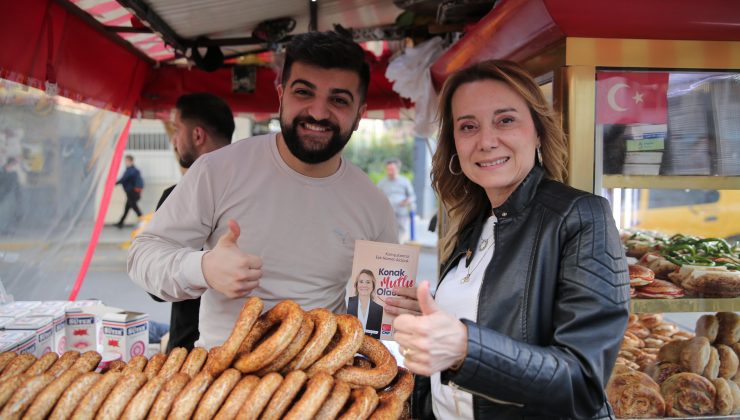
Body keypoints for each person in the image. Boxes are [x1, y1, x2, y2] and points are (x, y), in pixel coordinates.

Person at [128, 31, 420, 349]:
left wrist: (403, 314)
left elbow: (378, 320)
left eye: (338, 100)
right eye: (303, 92)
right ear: (281, 95)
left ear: (359, 114)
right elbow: (143, 257)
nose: (319, 113)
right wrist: (203, 267)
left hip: (322, 385)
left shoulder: (373, 204)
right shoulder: (217, 170)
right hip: (222, 379)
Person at [392, 60, 630, 419]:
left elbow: (582, 382)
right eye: (468, 126)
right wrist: (433, 317)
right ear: (454, 144)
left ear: (537, 131)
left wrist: (464, 348)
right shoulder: (474, 223)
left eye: (505, 120)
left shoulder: (580, 215)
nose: (486, 141)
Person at [151, 92, 235, 352]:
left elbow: (156, 289)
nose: (174, 141)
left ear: (197, 135)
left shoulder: (176, 197)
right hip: (243, 351)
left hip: (187, 353)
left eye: (177, 129)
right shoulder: (256, 197)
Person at [377, 158, 416, 243]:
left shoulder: (405, 181)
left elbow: (412, 197)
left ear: (397, 169)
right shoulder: (382, 182)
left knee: (399, 238)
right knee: (387, 237)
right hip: (386, 215)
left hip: (401, 214)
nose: (390, 171)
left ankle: (398, 250)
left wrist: (407, 201)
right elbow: (376, 197)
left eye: (392, 169)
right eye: (388, 169)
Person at [347, 269, 384, 339]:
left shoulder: (379, 309)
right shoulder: (348, 302)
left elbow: (376, 336)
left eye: (368, 282)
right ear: (356, 285)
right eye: (361, 282)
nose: (364, 285)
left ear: (373, 286)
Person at [115, 155, 144, 228]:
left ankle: (143, 220)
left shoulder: (131, 170)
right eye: (125, 161)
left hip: (132, 192)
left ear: (131, 161)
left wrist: (114, 183)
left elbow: (123, 179)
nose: (125, 162)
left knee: (134, 207)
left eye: (126, 161)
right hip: (131, 192)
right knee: (127, 207)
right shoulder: (131, 170)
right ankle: (120, 223)